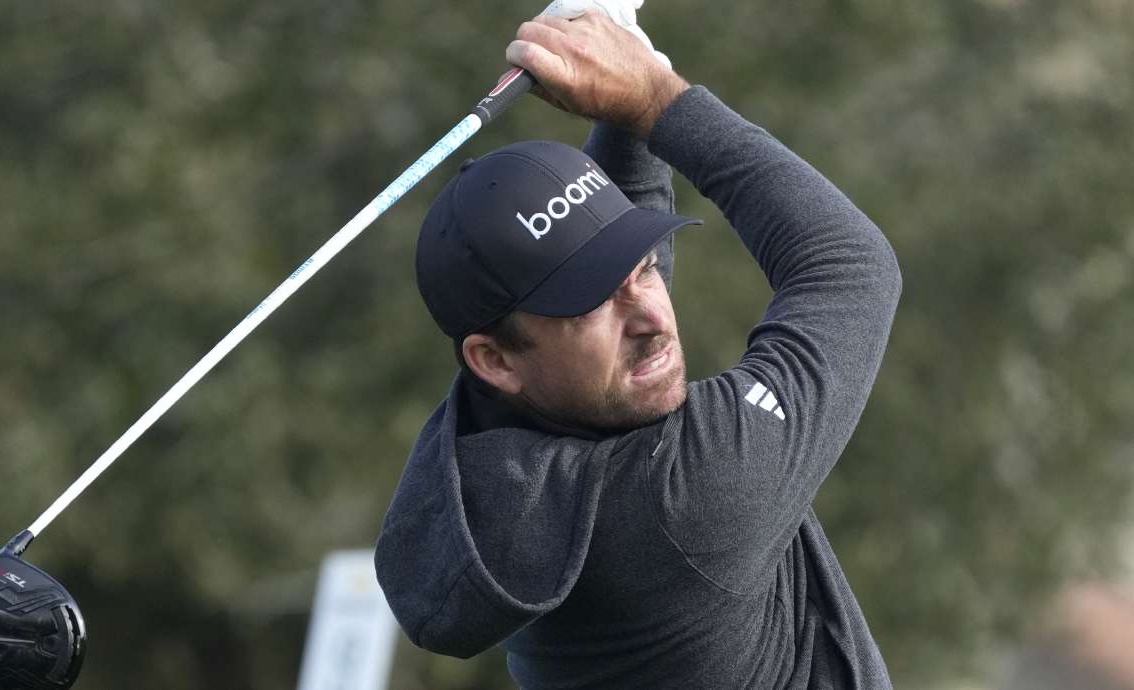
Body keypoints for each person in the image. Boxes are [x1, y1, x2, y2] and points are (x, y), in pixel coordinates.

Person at [375, 6, 902, 689]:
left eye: (643, 266)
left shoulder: (495, 464)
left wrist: (619, 62)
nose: (651, 315)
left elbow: (616, 241)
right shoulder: (685, 504)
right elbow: (849, 267)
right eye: (593, 301)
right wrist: (656, 95)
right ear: (494, 359)